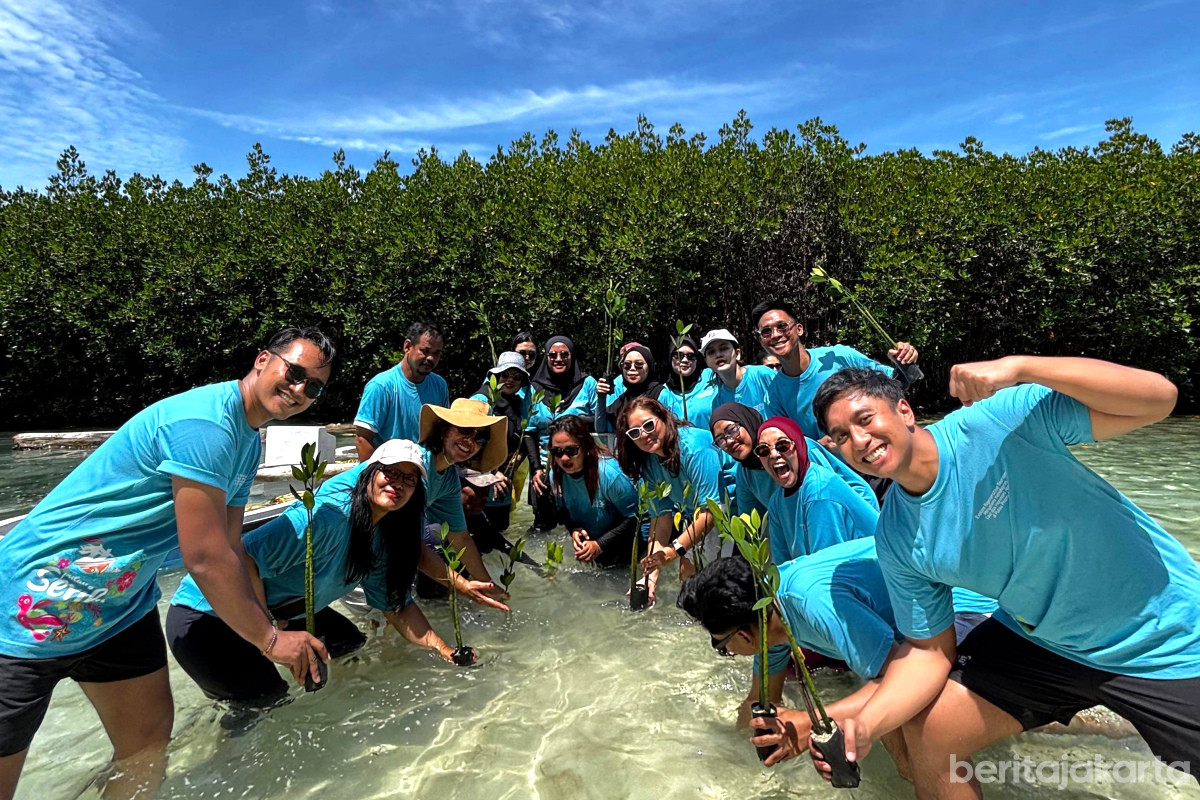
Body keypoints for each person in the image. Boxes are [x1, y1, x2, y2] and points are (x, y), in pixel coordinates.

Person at [808, 360, 1200, 793]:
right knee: (929, 731)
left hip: (1165, 635)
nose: (859, 440)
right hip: (1042, 641)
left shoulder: (1000, 421)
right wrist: (866, 724)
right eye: (842, 435)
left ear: (904, 411)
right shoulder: (897, 537)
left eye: (865, 419)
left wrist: (1023, 368)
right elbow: (929, 652)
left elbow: (1158, 398)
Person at [0, 327, 335, 799]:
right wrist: (270, 639)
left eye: (313, 386)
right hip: (38, 597)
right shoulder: (207, 424)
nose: (299, 389)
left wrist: (268, 633)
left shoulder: (247, 439)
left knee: (146, 746)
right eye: (294, 372)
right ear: (263, 360)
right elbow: (202, 557)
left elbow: (230, 547)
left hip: (119, 607)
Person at [167, 440, 470, 710]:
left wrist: (445, 650)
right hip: (206, 614)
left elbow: (398, 606)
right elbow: (244, 557)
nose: (397, 483)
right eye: (389, 472)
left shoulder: (381, 539)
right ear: (367, 474)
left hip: (278, 609)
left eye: (409, 479)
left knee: (349, 644)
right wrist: (272, 635)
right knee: (268, 702)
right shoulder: (326, 518)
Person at [677, 549, 994, 768]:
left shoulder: (810, 602)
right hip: (918, 634)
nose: (729, 654)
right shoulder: (768, 612)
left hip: (967, 612)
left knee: (914, 723)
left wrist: (811, 722)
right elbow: (758, 701)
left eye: (722, 647)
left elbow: (900, 678)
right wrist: (728, 758)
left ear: (744, 636)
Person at [616, 397, 735, 603]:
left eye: (648, 425)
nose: (644, 434)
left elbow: (712, 512)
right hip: (695, 514)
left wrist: (674, 551)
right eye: (635, 433)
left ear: (663, 417)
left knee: (715, 589)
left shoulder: (694, 448)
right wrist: (649, 577)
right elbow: (660, 520)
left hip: (728, 512)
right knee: (687, 581)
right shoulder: (649, 461)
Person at [752, 298, 918, 441]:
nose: (775, 335)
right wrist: (819, 446)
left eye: (782, 326)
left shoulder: (838, 356)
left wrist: (905, 363)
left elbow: (895, 385)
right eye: (766, 331)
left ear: (799, 329)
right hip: (837, 474)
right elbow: (788, 444)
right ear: (761, 341)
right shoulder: (773, 396)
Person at [710, 402, 875, 519]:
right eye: (721, 440)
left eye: (731, 430)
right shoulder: (746, 473)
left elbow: (838, 492)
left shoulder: (795, 447)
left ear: (747, 421)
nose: (729, 441)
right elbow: (750, 525)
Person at [755, 416, 878, 565]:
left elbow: (827, 567)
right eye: (763, 450)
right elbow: (783, 565)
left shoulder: (819, 492)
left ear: (799, 446)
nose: (774, 455)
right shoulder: (776, 502)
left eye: (783, 445)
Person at [526, 336, 599, 531]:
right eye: (553, 355)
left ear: (572, 356)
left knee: (583, 527)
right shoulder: (534, 389)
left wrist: (570, 423)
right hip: (544, 467)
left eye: (564, 354)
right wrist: (535, 469)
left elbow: (600, 423)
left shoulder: (587, 383)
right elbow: (529, 432)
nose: (559, 358)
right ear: (546, 358)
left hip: (579, 467)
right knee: (543, 529)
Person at [548, 416, 640, 568]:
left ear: (585, 447)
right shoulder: (555, 476)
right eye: (557, 452)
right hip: (594, 538)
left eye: (571, 450)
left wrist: (600, 544)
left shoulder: (608, 475)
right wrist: (574, 529)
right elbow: (563, 511)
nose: (564, 458)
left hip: (626, 539)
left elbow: (636, 518)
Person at [354, 321, 449, 460]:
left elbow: (443, 433)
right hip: (388, 472)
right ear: (407, 347)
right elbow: (362, 439)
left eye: (436, 353)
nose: (431, 358)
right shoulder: (381, 386)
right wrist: (372, 477)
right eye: (425, 351)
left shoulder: (439, 385)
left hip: (426, 471)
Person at [468, 351, 534, 550]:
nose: (510, 380)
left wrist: (521, 454)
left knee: (497, 540)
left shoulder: (517, 403)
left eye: (517, 376)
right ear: (495, 376)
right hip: (480, 483)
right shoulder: (481, 401)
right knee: (477, 541)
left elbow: (523, 433)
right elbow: (468, 446)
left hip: (504, 484)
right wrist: (492, 473)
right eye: (506, 374)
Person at [702, 329, 775, 416]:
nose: (718, 355)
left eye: (724, 348)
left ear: (737, 353)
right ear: (706, 362)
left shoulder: (763, 375)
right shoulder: (718, 403)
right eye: (711, 352)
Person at [596, 344, 664, 435]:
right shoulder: (622, 400)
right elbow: (601, 428)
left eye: (638, 364)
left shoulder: (661, 394)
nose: (632, 368)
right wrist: (601, 397)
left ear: (649, 366)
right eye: (627, 365)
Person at [659, 334, 718, 430]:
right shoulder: (664, 392)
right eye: (679, 355)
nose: (685, 360)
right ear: (670, 358)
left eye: (691, 356)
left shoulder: (711, 376)